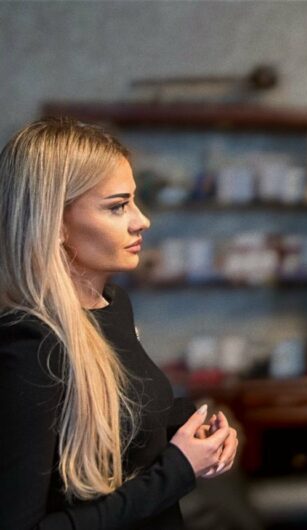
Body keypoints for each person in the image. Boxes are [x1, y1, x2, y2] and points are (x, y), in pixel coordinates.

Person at [0, 117, 239, 529]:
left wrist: (190, 425)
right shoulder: (30, 347)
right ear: (55, 223)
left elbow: (125, 410)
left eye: (133, 202)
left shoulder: (112, 305)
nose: (142, 220)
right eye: (117, 206)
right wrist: (178, 470)